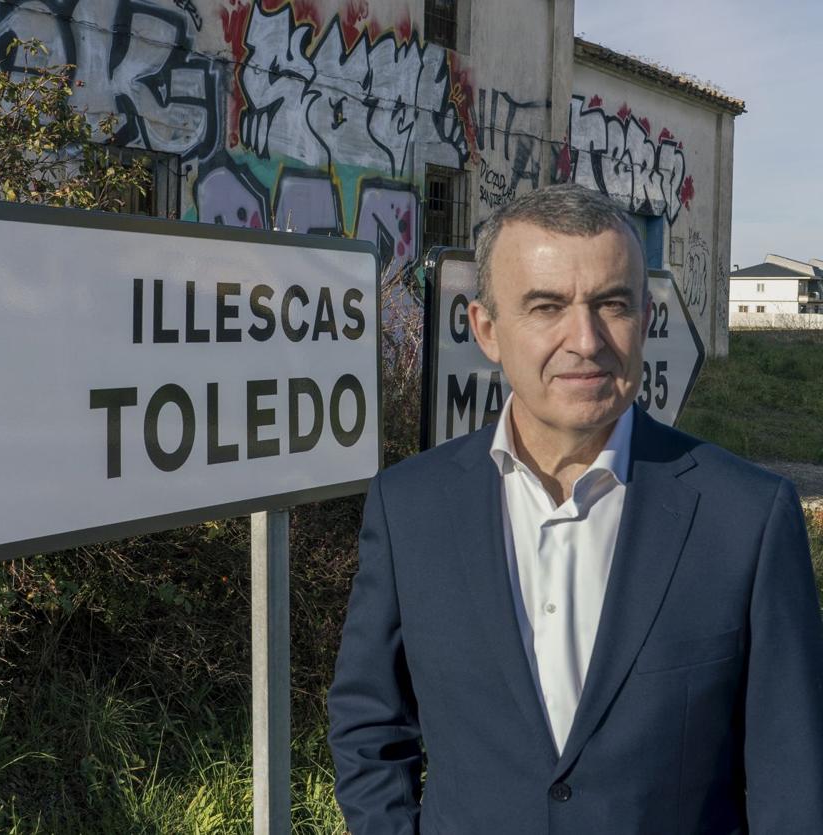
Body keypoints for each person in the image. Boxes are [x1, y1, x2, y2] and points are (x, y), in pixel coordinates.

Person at [327, 184, 823, 834]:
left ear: (645, 320)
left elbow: (794, 781)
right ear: (486, 329)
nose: (585, 340)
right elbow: (369, 723)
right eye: (546, 306)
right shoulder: (410, 506)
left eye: (611, 304)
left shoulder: (747, 518)